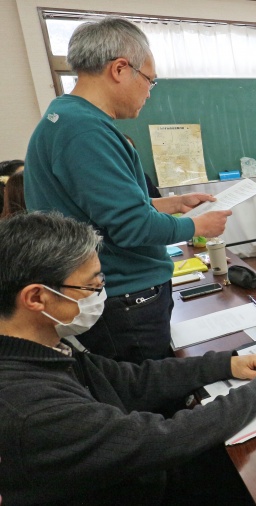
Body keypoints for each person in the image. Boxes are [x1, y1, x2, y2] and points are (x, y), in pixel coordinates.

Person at [0, 212, 256, 505]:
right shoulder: (29, 409)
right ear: (36, 298)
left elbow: (131, 380)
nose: (100, 293)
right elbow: (157, 440)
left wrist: (226, 364)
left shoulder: (45, 344)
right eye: (91, 286)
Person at [24, 17, 231, 363]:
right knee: (148, 387)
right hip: (125, 300)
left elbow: (101, 210)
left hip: (111, 293)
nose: (149, 92)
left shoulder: (65, 116)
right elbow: (132, 226)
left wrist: (171, 203)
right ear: (120, 69)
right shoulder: (86, 132)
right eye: (150, 80)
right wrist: (198, 226)